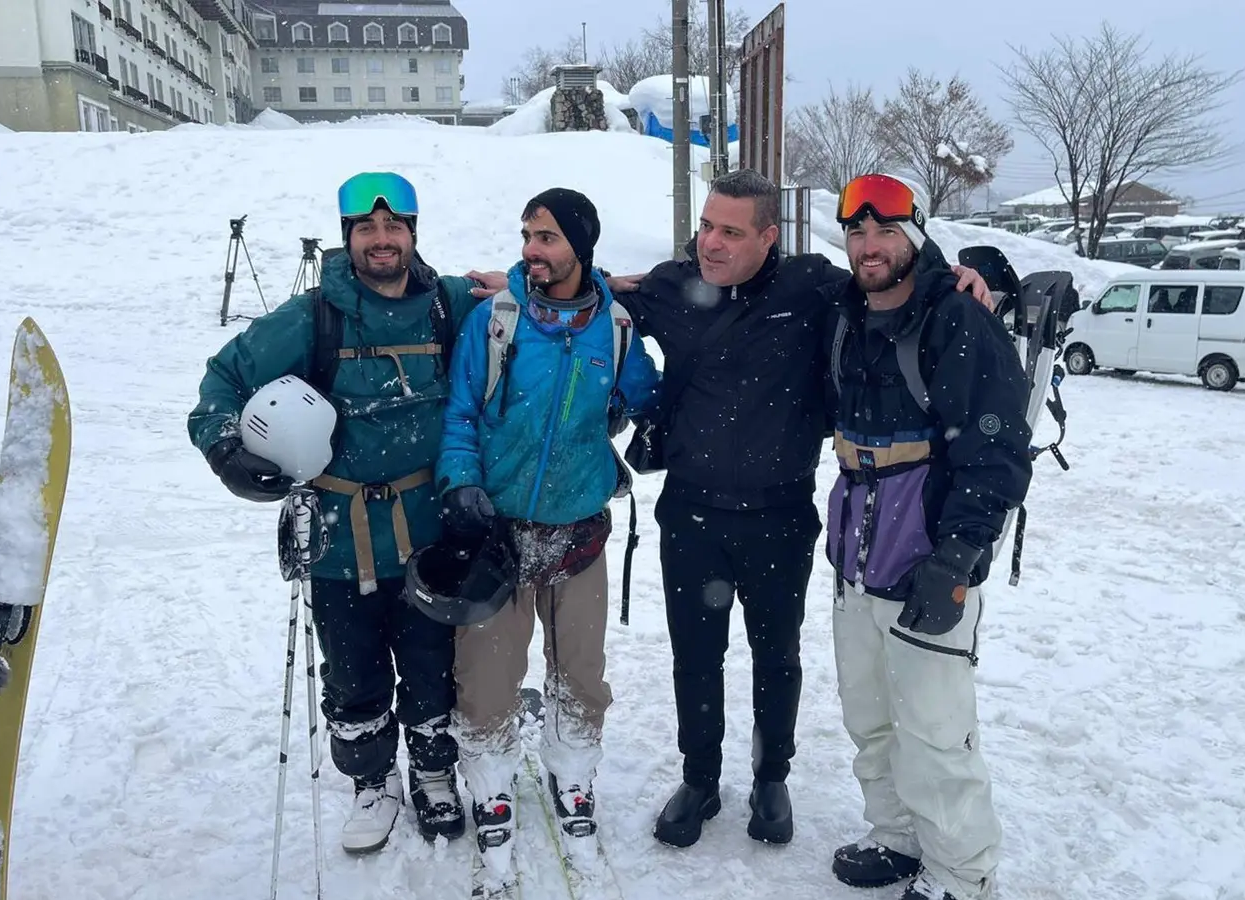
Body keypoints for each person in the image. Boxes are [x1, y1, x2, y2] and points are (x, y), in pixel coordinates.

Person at [464, 170, 992, 849]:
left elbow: (889, 277)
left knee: (777, 656)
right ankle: (700, 779)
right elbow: (594, 293)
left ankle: (772, 780)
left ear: (769, 237)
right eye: (705, 226)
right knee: (696, 655)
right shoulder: (672, 285)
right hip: (690, 514)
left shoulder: (813, 288)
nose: (710, 243)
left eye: (730, 232)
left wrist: (958, 277)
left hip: (779, 513)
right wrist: (498, 282)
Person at [187, 172, 480, 853]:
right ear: (349, 239)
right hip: (339, 536)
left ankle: (434, 771)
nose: (382, 240)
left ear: (412, 234)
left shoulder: (447, 306)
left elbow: (528, 305)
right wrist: (225, 447)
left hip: (428, 530)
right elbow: (223, 380)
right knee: (353, 672)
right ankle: (371, 780)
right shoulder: (314, 316)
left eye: (394, 227)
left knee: (434, 663)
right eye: (367, 229)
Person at [435, 188, 660, 878]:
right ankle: (492, 785)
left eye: (547, 238)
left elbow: (646, 399)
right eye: (528, 235)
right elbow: (462, 412)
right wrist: (461, 481)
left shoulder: (615, 329)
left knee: (581, 675)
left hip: (581, 531)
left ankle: (573, 774)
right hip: (499, 532)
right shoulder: (496, 321)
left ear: (580, 247)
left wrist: (653, 431)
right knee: (485, 677)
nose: (532, 250)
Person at [822, 173, 1031, 900]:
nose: (869, 246)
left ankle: (961, 874)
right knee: (870, 718)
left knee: (936, 734)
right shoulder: (844, 311)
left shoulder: (957, 321)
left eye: (884, 232)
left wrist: (959, 557)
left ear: (915, 234)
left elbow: (995, 451)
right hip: (855, 555)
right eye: (857, 232)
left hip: (927, 558)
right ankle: (898, 838)